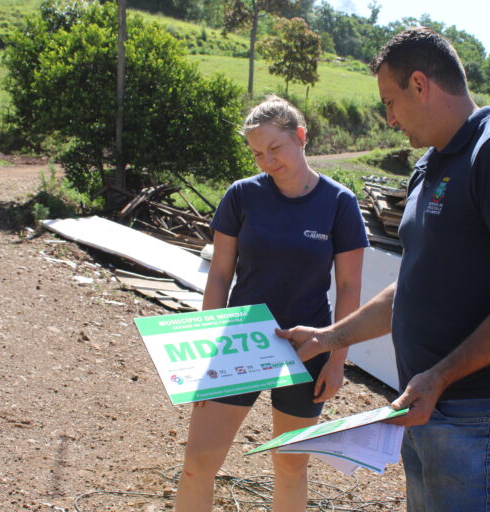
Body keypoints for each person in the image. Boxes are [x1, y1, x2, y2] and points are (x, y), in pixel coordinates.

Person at [277, 28, 490, 512]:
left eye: (390, 102)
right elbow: (413, 285)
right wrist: (329, 337)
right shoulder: (429, 165)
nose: (389, 119)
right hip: (424, 399)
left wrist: (440, 376)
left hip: (479, 409)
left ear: (419, 84)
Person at [175, 95, 368, 512]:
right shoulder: (242, 196)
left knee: (290, 466)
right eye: (257, 153)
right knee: (198, 464)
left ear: (300, 136)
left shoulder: (339, 203)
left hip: (308, 348)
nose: (267, 161)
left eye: (275, 148)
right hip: (239, 342)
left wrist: (337, 360)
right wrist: (204, 348)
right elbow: (220, 275)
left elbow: (349, 287)